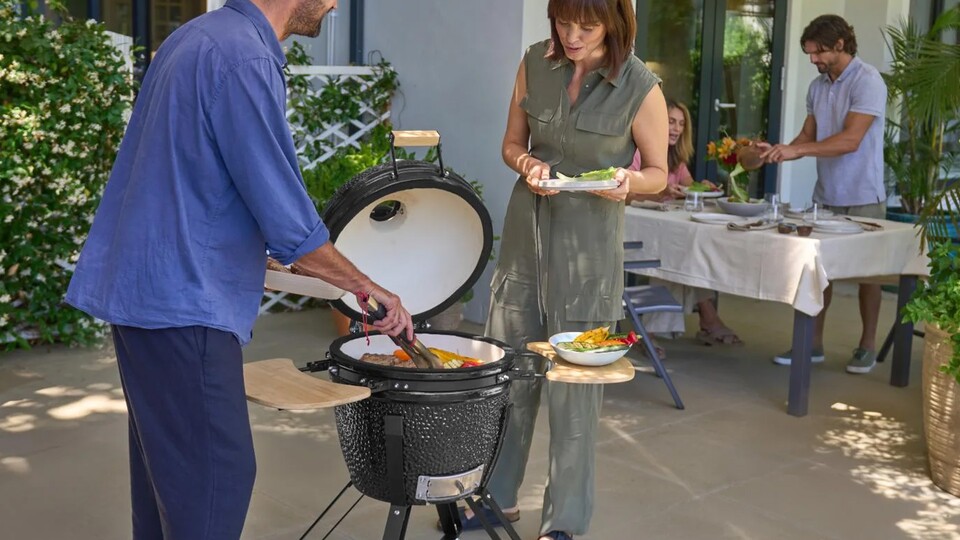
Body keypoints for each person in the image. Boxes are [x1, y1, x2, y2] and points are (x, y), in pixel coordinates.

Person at [64, 0, 414, 538]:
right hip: (185, 305)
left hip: (143, 293)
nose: (335, 4)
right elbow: (286, 215)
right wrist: (366, 287)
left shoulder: (193, 38)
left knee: (167, 482)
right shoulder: (245, 58)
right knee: (213, 483)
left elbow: (190, 176)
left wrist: (248, 252)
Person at [456, 1, 668, 539]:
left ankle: (565, 521)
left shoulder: (641, 87)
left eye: (587, 26)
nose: (572, 35)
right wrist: (527, 162)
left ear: (614, 24)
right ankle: (497, 499)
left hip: (589, 255)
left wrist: (628, 182)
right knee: (510, 375)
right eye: (563, 22)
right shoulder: (534, 62)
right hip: (524, 241)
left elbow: (659, 174)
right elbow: (511, 144)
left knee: (575, 392)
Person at [759, 14, 887, 374]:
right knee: (818, 272)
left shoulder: (868, 80)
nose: (813, 60)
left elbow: (850, 140)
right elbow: (807, 136)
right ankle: (811, 344)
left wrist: (798, 150)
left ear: (840, 45)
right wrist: (780, 150)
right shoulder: (817, 87)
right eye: (810, 53)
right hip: (825, 194)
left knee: (869, 276)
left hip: (864, 195)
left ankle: (867, 346)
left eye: (818, 53)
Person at [627, 99, 741, 354]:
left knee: (690, 250)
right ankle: (700, 319)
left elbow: (689, 186)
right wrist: (659, 193)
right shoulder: (638, 154)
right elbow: (626, 195)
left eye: (681, 123)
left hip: (664, 229)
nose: (677, 128)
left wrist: (704, 187)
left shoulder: (676, 159)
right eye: (671, 121)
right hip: (635, 228)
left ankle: (702, 319)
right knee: (677, 253)